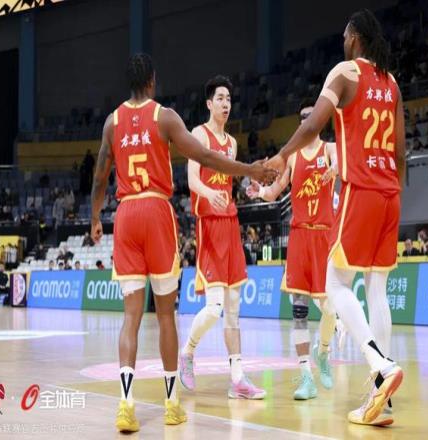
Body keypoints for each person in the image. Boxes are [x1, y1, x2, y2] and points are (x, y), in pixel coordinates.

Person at [89, 53, 276, 433]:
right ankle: (171, 403)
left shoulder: (112, 121)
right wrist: (250, 170)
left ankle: (126, 405)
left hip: (125, 214)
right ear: (152, 81)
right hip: (156, 213)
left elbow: (99, 176)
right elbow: (205, 156)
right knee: (165, 315)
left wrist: (94, 218)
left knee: (130, 318)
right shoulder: (165, 117)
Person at [266, 9, 405, 426]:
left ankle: (381, 365)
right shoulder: (392, 83)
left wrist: (282, 154)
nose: (343, 41)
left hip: (361, 191)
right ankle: (381, 397)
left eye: (346, 35)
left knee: (336, 284)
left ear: (355, 37)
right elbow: (400, 152)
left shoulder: (345, 73)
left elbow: (313, 126)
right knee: (377, 289)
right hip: (391, 194)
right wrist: (393, 189)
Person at [179, 75, 266, 400]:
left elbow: (231, 179)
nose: (226, 103)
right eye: (220, 98)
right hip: (209, 224)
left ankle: (238, 379)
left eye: (229, 98)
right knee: (214, 307)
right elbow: (192, 180)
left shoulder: (231, 143)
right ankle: (187, 352)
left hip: (230, 222)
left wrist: (250, 186)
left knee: (233, 308)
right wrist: (208, 192)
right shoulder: (198, 135)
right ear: (209, 103)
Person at [247, 98, 338, 400]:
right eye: (301, 117)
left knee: (330, 309)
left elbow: (343, 162)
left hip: (324, 237)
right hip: (299, 237)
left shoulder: (329, 149)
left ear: (320, 120)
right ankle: (306, 377)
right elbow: (274, 192)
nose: (305, 120)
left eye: (311, 116)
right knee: (299, 310)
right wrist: (259, 191)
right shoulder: (294, 158)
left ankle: (323, 352)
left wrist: (335, 169)